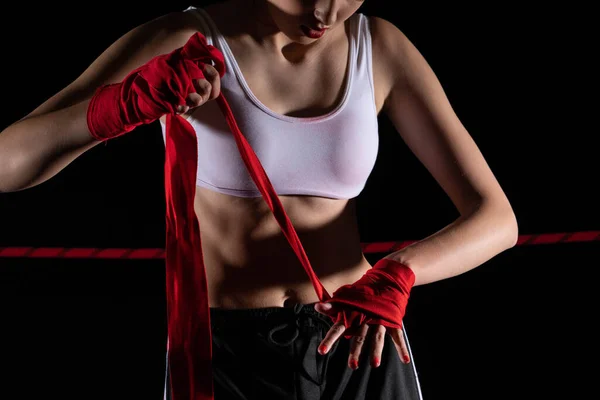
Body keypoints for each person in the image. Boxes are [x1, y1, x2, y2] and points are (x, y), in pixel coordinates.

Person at [0, 1, 519, 399]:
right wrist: (121, 105)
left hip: (363, 342)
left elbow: (498, 220)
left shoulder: (379, 46)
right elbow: (8, 163)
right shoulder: (187, 37)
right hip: (230, 354)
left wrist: (399, 273)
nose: (325, 11)